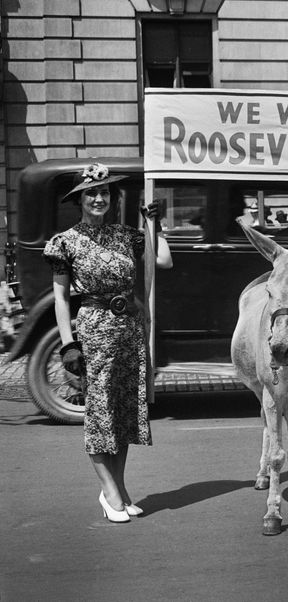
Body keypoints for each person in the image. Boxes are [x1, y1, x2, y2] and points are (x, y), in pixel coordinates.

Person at [44, 162, 173, 522]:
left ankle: (118, 489)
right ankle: (110, 495)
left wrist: (154, 225)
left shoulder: (127, 235)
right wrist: (69, 344)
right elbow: (60, 299)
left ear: (112, 198)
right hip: (94, 329)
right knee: (100, 414)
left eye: (104, 193)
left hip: (129, 330)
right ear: (80, 200)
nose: (99, 198)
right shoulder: (66, 242)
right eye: (91, 194)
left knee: (124, 412)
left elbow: (163, 260)